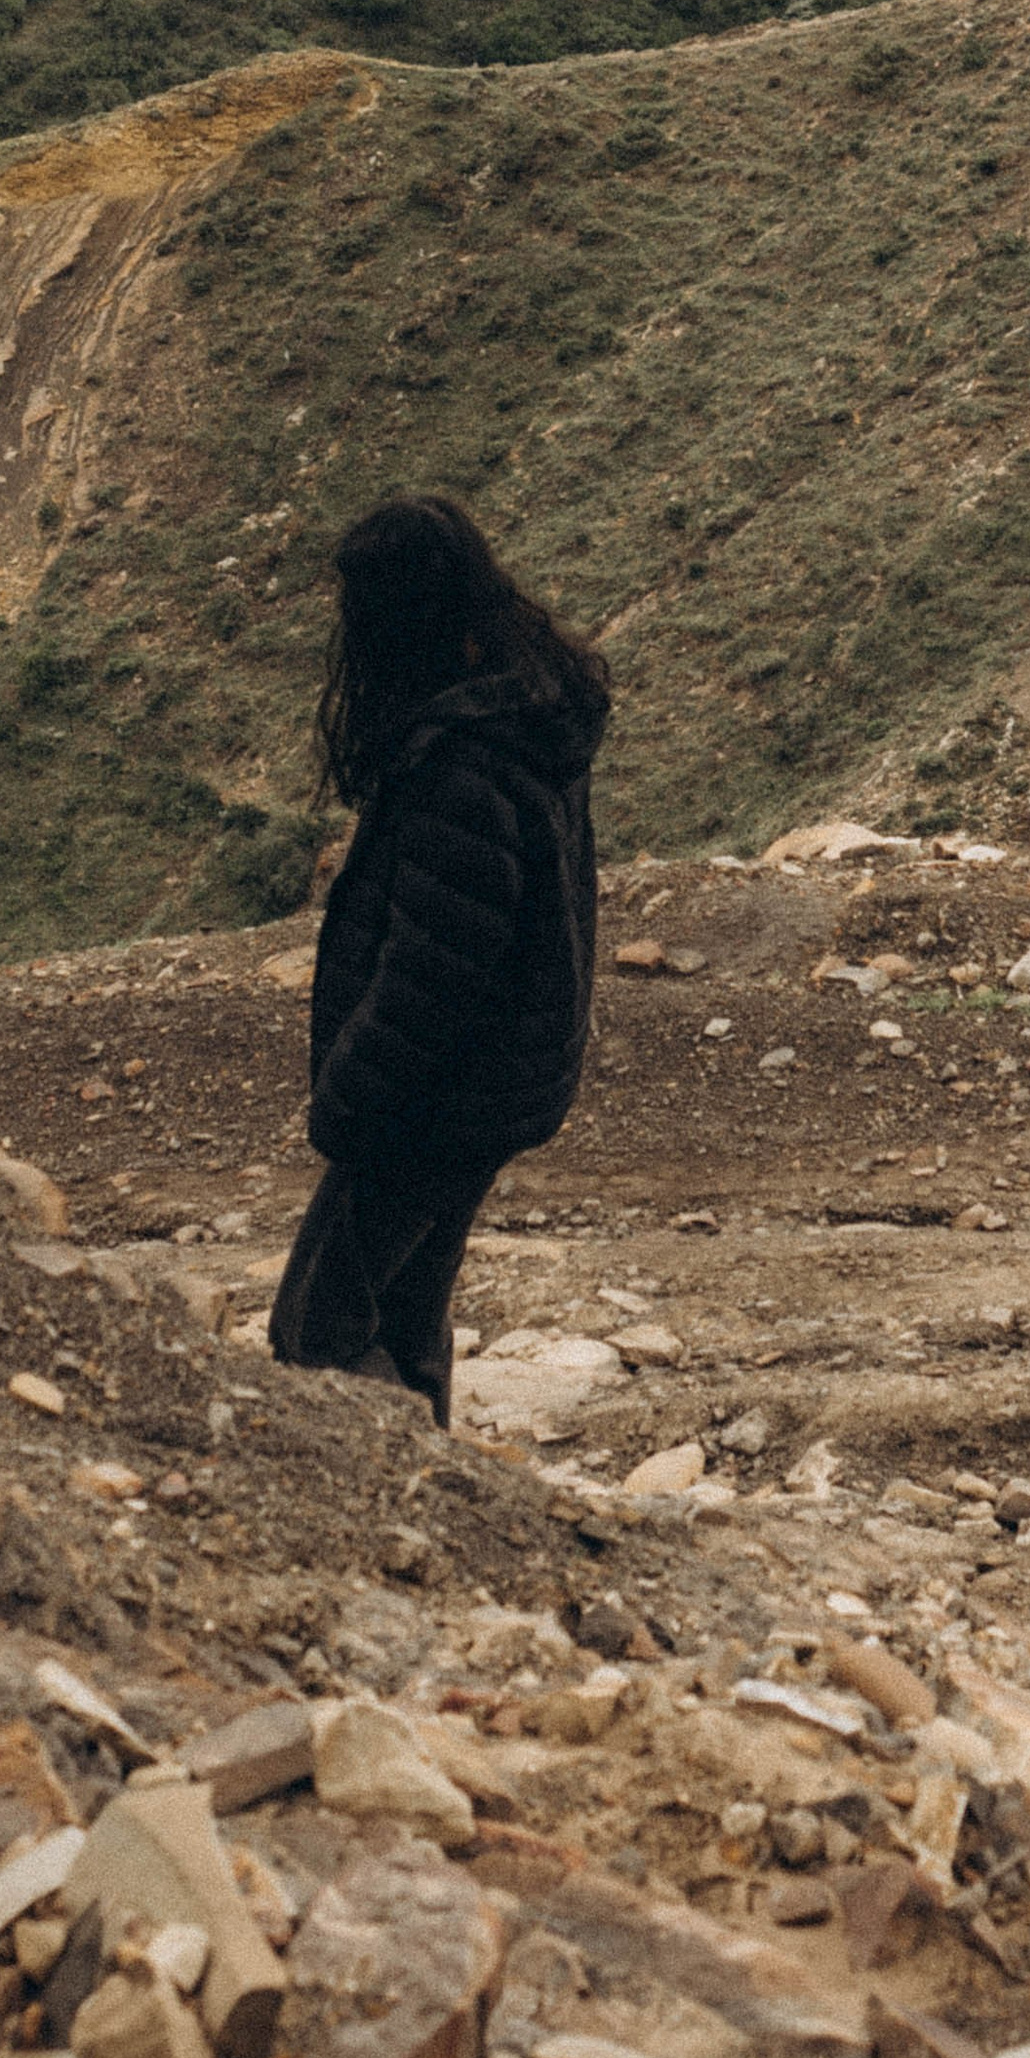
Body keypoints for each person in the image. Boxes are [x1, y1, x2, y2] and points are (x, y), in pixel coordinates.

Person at [269, 493, 610, 1429]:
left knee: (318, 1326)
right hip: (497, 1089)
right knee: (410, 1316)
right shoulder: (525, 720)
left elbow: (435, 972)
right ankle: (445, 1517)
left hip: (433, 1101)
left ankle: (397, 1495)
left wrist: (345, 1100)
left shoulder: (459, 766)